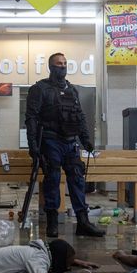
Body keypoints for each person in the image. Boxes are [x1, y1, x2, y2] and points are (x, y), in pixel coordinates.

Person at [25, 53, 105, 238]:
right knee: (52, 180)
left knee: (77, 179)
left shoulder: (72, 89)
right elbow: (31, 119)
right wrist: (33, 148)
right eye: (58, 64)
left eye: (65, 64)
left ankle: (83, 222)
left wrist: (86, 141)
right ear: (51, 67)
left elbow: (80, 116)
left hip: (71, 142)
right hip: (50, 141)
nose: (62, 67)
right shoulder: (40, 89)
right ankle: (52, 222)